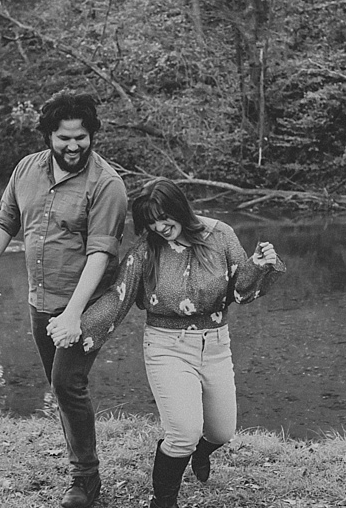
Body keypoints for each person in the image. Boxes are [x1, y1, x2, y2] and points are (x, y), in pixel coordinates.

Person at [76, 179, 284, 508]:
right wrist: (77, 325)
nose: (159, 226)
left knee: (221, 432)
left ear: (179, 209)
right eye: (150, 221)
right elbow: (119, 298)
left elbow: (239, 290)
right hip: (167, 347)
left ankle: (200, 453)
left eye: (163, 217)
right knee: (182, 435)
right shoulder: (147, 249)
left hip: (216, 345)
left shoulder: (220, 235)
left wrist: (259, 264)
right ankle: (163, 500)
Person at [0, 92, 130, 508]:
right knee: (60, 387)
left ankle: (85, 481)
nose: (73, 146)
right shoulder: (26, 168)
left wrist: (75, 316)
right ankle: (81, 467)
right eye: (64, 138)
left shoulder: (107, 184)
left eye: (82, 137)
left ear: (92, 135)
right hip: (40, 299)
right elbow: (5, 219)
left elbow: (101, 255)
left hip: (90, 303)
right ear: (49, 136)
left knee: (68, 383)